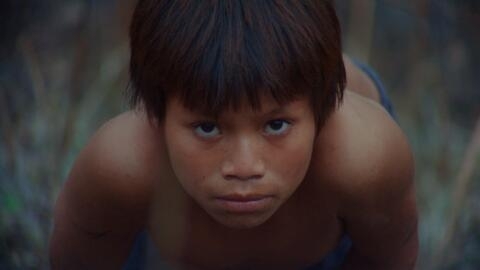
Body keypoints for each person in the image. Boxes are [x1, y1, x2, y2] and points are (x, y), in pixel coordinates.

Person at [49, 1, 418, 269]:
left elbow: (388, 256)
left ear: (321, 116)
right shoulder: (121, 169)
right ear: (157, 114)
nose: (244, 167)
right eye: (208, 128)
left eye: (276, 126)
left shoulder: (364, 159)